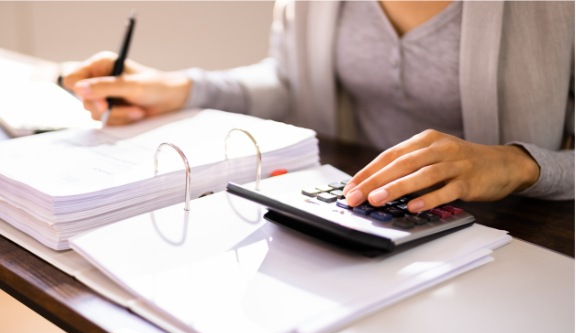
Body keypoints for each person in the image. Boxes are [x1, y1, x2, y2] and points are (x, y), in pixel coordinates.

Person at [63, 1, 575, 212]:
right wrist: (182, 88)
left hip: (516, 232)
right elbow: (288, 80)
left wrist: (518, 164)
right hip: (361, 211)